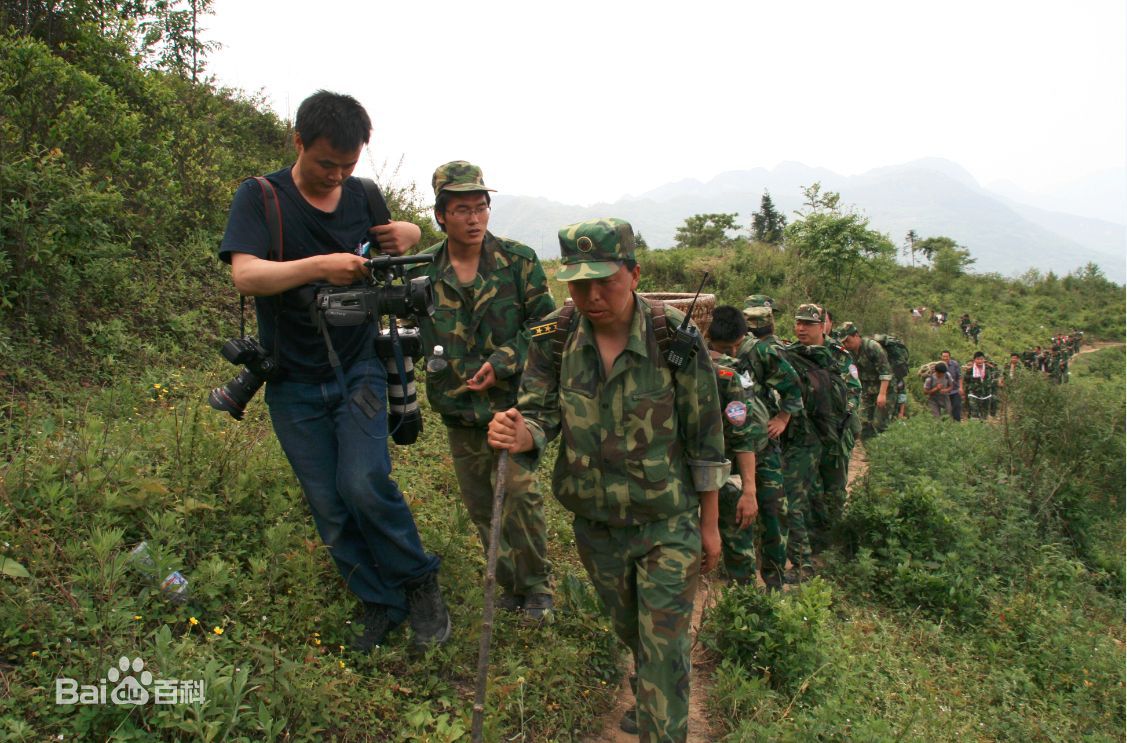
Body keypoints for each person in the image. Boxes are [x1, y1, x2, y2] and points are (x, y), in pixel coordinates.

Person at [218, 90, 450, 651]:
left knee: (363, 482)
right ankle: (378, 600)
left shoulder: (362, 194)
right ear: (298, 142)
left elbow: (397, 243)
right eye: (327, 164)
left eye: (348, 165)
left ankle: (419, 580)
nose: (337, 175)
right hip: (291, 381)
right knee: (327, 502)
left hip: (359, 369)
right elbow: (246, 276)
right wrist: (320, 267)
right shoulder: (261, 197)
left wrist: (410, 234)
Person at [487, 218, 727, 742]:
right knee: (632, 631)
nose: (592, 296)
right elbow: (539, 414)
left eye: (606, 281)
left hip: (668, 521)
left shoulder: (675, 339)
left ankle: (660, 715)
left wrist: (709, 525)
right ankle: (647, 684)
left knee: (665, 648)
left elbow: (706, 436)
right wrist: (520, 434)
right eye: (579, 283)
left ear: (634, 273)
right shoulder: (553, 338)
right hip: (596, 527)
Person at [407, 161, 555, 620]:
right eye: (462, 209)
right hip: (458, 409)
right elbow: (407, 331)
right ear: (441, 216)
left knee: (519, 493)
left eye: (481, 207)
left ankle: (537, 587)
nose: (474, 218)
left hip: (511, 408)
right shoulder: (421, 271)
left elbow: (547, 327)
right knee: (479, 505)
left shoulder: (519, 261)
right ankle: (508, 584)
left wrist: (503, 361)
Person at [736, 296, 804, 589]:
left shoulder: (766, 351)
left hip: (761, 441)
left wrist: (783, 418)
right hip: (734, 439)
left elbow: (793, 386)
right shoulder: (720, 349)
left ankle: (773, 579)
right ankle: (739, 575)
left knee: (773, 508)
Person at [704, 309, 769, 587]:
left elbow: (742, 436)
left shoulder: (726, 374)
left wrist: (750, 490)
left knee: (735, 527)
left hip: (716, 469)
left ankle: (744, 598)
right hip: (681, 473)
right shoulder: (663, 370)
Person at [838, 322, 892, 440]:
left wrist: (882, 394)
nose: (846, 344)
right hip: (866, 390)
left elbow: (885, 372)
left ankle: (882, 454)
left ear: (856, 335)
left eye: (848, 340)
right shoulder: (849, 353)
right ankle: (869, 452)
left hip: (884, 389)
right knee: (864, 423)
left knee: (880, 424)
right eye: (843, 342)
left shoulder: (872, 347)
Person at [963, 351, 998, 419]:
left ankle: (983, 427)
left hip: (986, 393)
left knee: (984, 414)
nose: (980, 361)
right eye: (978, 359)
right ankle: (974, 426)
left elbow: (995, 376)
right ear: (974, 360)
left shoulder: (989, 368)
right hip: (974, 393)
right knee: (974, 413)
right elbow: (966, 380)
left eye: (981, 359)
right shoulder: (970, 370)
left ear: (984, 359)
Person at [940, 350, 963, 421]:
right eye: (944, 356)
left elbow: (960, 376)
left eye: (947, 356)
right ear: (941, 357)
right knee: (945, 408)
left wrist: (961, 387)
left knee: (956, 407)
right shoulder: (938, 365)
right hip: (944, 391)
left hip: (955, 390)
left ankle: (957, 424)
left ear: (949, 357)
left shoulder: (955, 364)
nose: (945, 358)